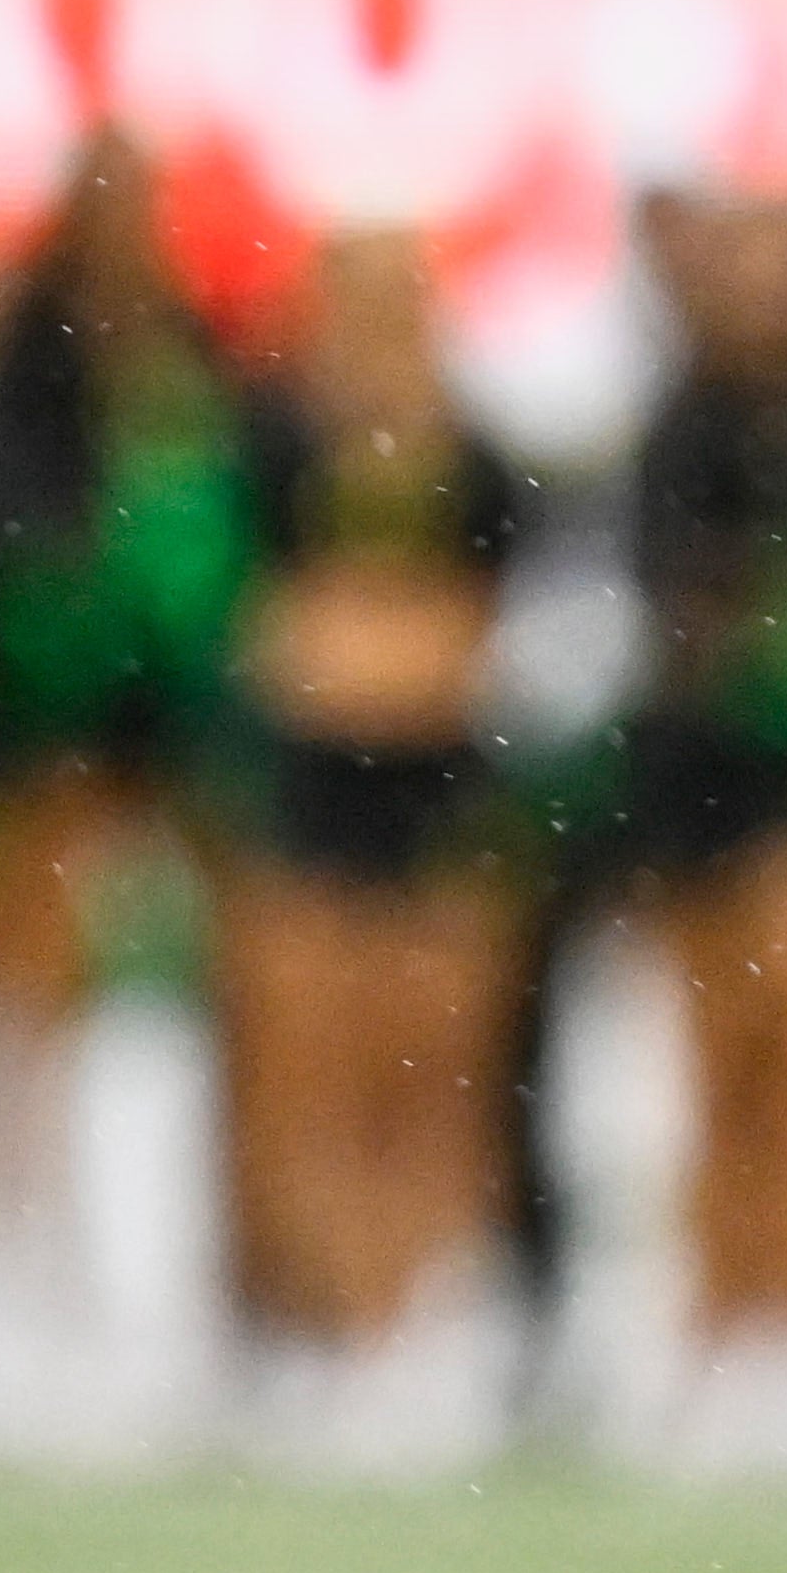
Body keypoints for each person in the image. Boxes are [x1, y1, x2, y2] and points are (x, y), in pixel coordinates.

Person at [210, 230, 530, 1449]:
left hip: (436, 789)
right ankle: (335, 1323)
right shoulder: (273, 443)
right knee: (308, 1070)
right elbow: (270, 629)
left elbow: (468, 633)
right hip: (311, 792)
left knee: (434, 1067)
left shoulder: (480, 459)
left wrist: (370, 648)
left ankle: (415, 1319)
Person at [613, 185, 787, 1468]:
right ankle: (727, 1333)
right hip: (709, 797)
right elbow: (694, 626)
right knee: (728, 1076)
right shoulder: (687, 429)